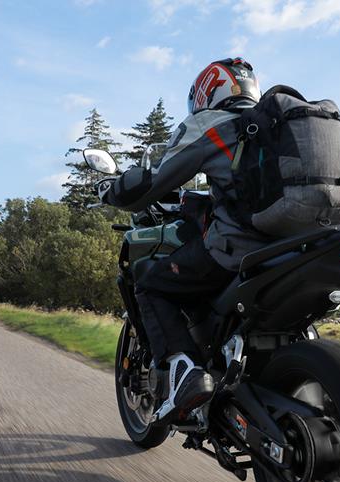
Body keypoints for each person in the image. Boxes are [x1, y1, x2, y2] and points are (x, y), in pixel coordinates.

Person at [102, 58, 270, 425]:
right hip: (303, 244)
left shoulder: (214, 124)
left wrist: (117, 192)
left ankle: (186, 372)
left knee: (150, 286)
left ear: (210, 90)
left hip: (240, 248)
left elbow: (159, 179)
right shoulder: (277, 127)